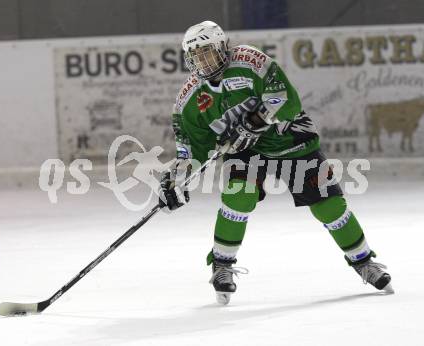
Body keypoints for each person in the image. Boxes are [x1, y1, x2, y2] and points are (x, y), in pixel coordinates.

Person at [159, 21, 393, 304]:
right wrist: (177, 179)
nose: (203, 60)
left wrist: (255, 122)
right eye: (196, 56)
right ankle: (222, 266)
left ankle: (364, 261)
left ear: (223, 47)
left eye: (207, 51)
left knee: (329, 205)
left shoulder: (250, 61)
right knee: (239, 195)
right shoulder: (188, 101)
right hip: (245, 151)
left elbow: (287, 100)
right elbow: (192, 150)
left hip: (288, 139)